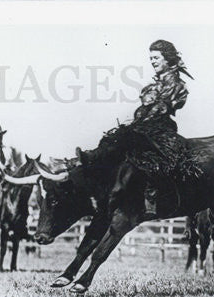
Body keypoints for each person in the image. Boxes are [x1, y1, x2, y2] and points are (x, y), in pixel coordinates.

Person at [79, 40, 196, 218]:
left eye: (156, 57)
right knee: (115, 138)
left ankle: (148, 196)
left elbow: (159, 108)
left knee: (132, 143)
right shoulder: (156, 84)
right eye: (151, 58)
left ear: (167, 59)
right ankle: (93, 168)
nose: (153, 61)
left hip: (160, 128)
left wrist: (137, 124)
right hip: (147, 125)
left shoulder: (176, 84)